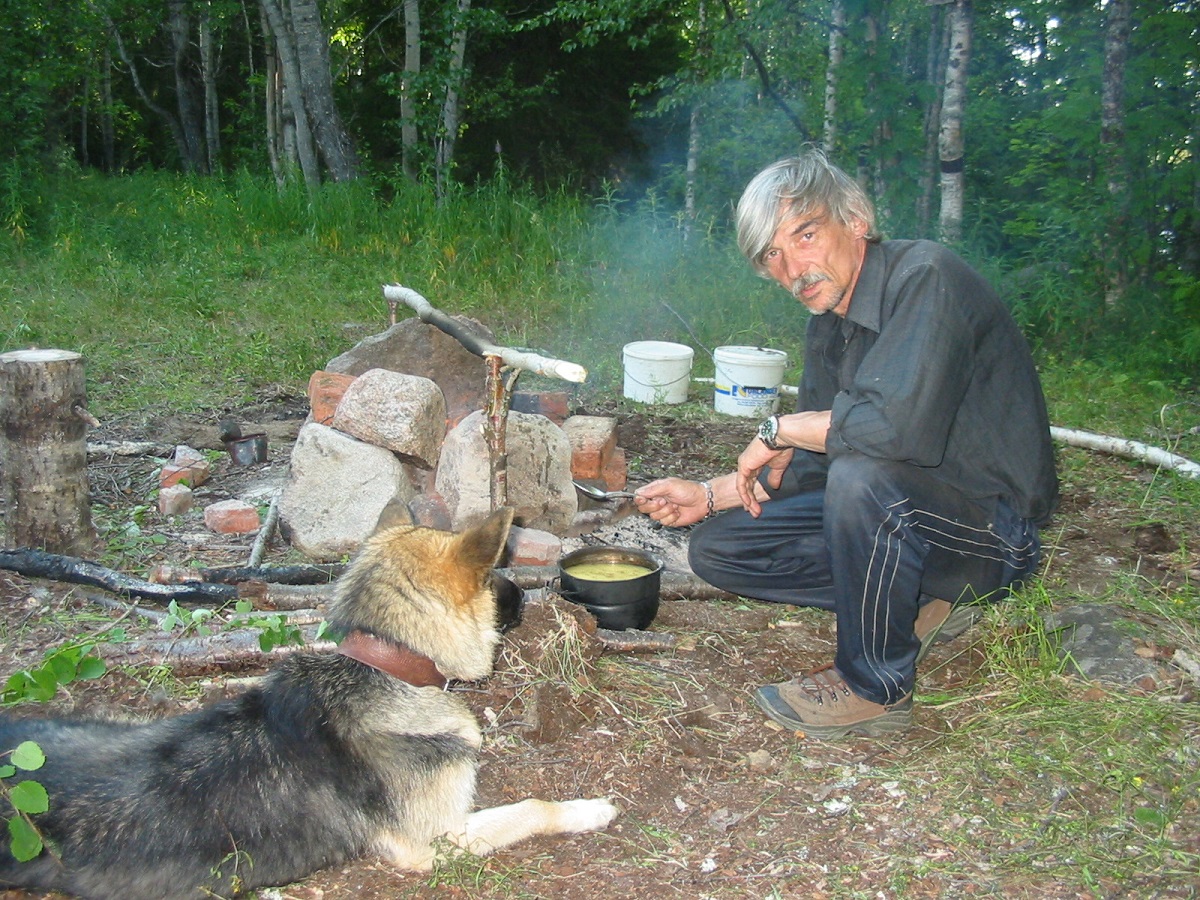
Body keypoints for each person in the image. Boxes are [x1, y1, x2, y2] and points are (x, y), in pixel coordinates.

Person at [634, 149, 1058, 741]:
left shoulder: (926, 278)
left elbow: (891, 431)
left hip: (990, 537)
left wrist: (779, 428)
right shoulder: (829, 326)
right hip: (909, 513)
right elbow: (815, 467)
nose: (791, 268)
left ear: (855, 219)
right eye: (773, 255)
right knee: (721, 549)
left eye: (804, 235)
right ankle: (913, 599)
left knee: (864, 481)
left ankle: (874, 689)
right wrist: (712, 495)